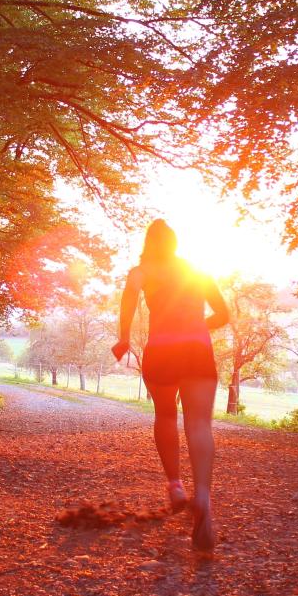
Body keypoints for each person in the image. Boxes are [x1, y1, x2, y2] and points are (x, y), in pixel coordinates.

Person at [112, 219, 229, 551]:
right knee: (199, 423)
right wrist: (195, 325)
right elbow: (224, 314)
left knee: (165, 415)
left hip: (161, 351)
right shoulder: (197, 272)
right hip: (197, 349)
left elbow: (128, 304)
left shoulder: (141, 271)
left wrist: (123, 338)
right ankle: (203, 497)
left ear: (149, 243)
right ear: (176, 244)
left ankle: (176, 486)